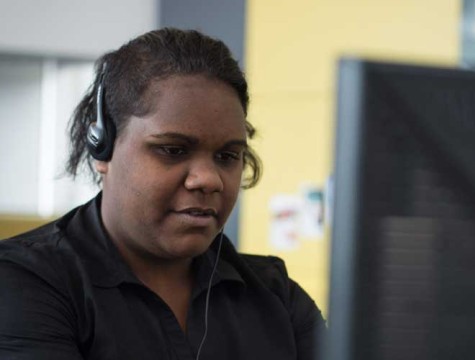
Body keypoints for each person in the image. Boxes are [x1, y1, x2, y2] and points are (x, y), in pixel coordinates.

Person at [0, 28, 326, 360]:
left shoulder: (276, 296)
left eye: (227, 156)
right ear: (102, 149)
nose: (208, 180)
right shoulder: (25, 281)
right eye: (172, 150)